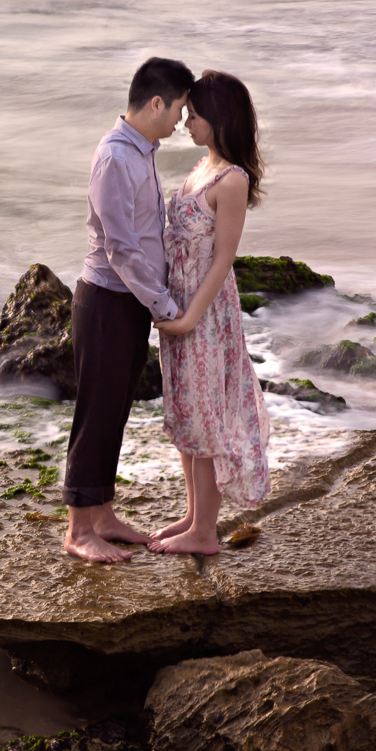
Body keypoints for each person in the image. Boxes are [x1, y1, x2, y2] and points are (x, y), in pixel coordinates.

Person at [61, 56, 197, 563]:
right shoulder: (116, 157)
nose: (182, 120)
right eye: (179, 108)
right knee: (96, 414)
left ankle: (102, 514)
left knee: (116, 409)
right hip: (106, 301)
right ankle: (78, 530)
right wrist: (164, 303)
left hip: (129, 301)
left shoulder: (143, 149)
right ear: (157, 102)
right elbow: (120, 247)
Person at [148, 70, 271, 555]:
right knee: (184, 415)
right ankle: (194, 514)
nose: (186, 124)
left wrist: (189, 319)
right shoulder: (202, 166)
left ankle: (205, 533)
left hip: (206, 316)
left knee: (205, 419)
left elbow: (222, 261)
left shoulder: (232, 179)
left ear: (217, 120)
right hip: (180, 312)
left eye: (194, 116)